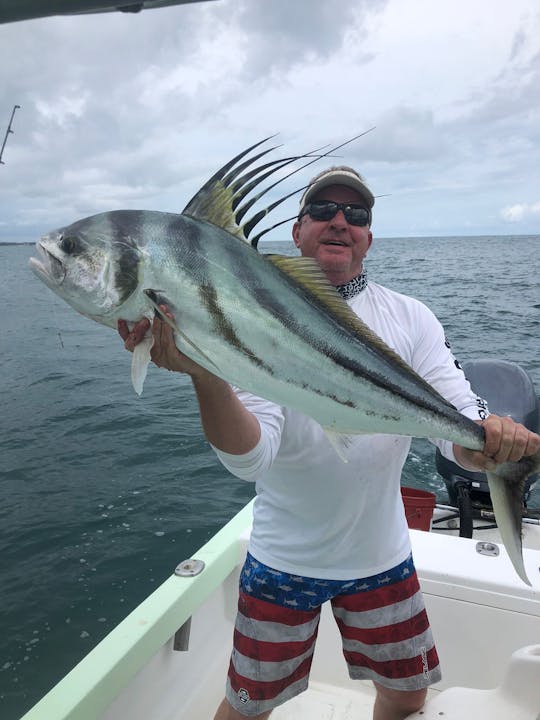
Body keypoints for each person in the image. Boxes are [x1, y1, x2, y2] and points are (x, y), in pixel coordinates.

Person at [119, 166, 540, 720]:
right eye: (322, 211)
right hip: (282, 560)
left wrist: (491, 445)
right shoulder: (250, 312)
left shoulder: (411, 318)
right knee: (248, 706)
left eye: (356, 215)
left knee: (409, 696)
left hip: (382, 556)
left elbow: (460, 432)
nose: (340, 222)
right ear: (297, 233)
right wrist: (205, 373)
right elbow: (251, 458)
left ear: (369, 235)